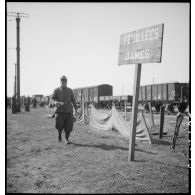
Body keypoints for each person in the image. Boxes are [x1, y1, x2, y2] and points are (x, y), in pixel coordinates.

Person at [51, 75, 77, 144]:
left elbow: (73, 100)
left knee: (69, 126)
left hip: (69, 111)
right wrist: (56, 102)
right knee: (59, 125)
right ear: (60, 82)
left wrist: (76, 108)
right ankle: (59, 134)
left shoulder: (70, 90)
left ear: (67, 82)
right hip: (59, 111)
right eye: (62, 81)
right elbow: (52, 99)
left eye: (65, 81)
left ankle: (66, 138)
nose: (64, 83)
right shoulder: (56, 90)